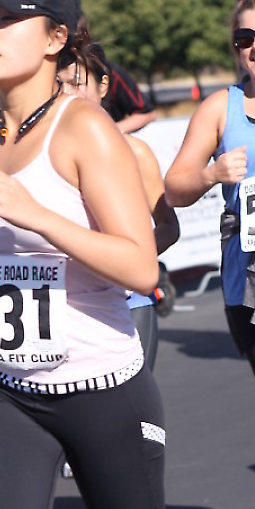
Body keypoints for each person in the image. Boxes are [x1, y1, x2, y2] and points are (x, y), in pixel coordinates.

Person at [0, 0, 165, 509]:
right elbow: (4, 268)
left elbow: (140, 267)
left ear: (55, 39)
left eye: (6, 19)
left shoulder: (86, 130)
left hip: (98, 384)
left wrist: (40, 217)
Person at [57, 38, 180, 370]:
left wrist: (126, 262)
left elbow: (168, 226)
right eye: (59, 84)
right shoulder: (43, 157)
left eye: (77, 83)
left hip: (127, 303)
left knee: (129, 400)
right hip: (63, 310)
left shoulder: (134, 152)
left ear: (103, 86)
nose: (67, 93)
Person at [165, 0, 255, 380]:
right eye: (245, 38)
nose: (254, 47)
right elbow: (174, 189)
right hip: (248, 279)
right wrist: (212, 174)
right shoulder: (220, 108)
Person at [76, 13, 156, 133]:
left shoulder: (113, 74)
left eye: (76, 83)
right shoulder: (51, 73)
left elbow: (146, 113)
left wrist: (108, 132)